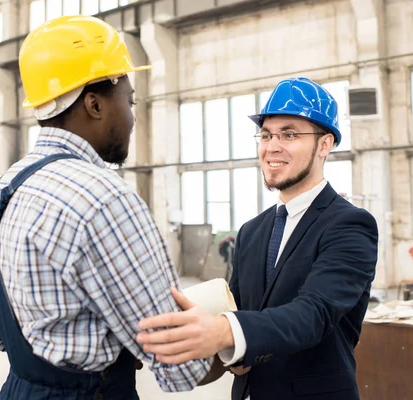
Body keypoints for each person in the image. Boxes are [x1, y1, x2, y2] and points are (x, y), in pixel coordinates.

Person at [0, 15, 223, 400]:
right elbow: (179, 364)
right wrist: (234, 350)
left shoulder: (2, 192)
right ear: (95, 103)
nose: (133, 117)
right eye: (129, 101)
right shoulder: (105, 198)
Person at [136, 77, 379, 400]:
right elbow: (236, 308)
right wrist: (220, 347)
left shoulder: (349, 224)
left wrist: (225, 331)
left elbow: (314, 314)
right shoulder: (252, 231)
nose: (271, 146)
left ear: (324, 144)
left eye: (289, 134)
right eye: (265, 135)